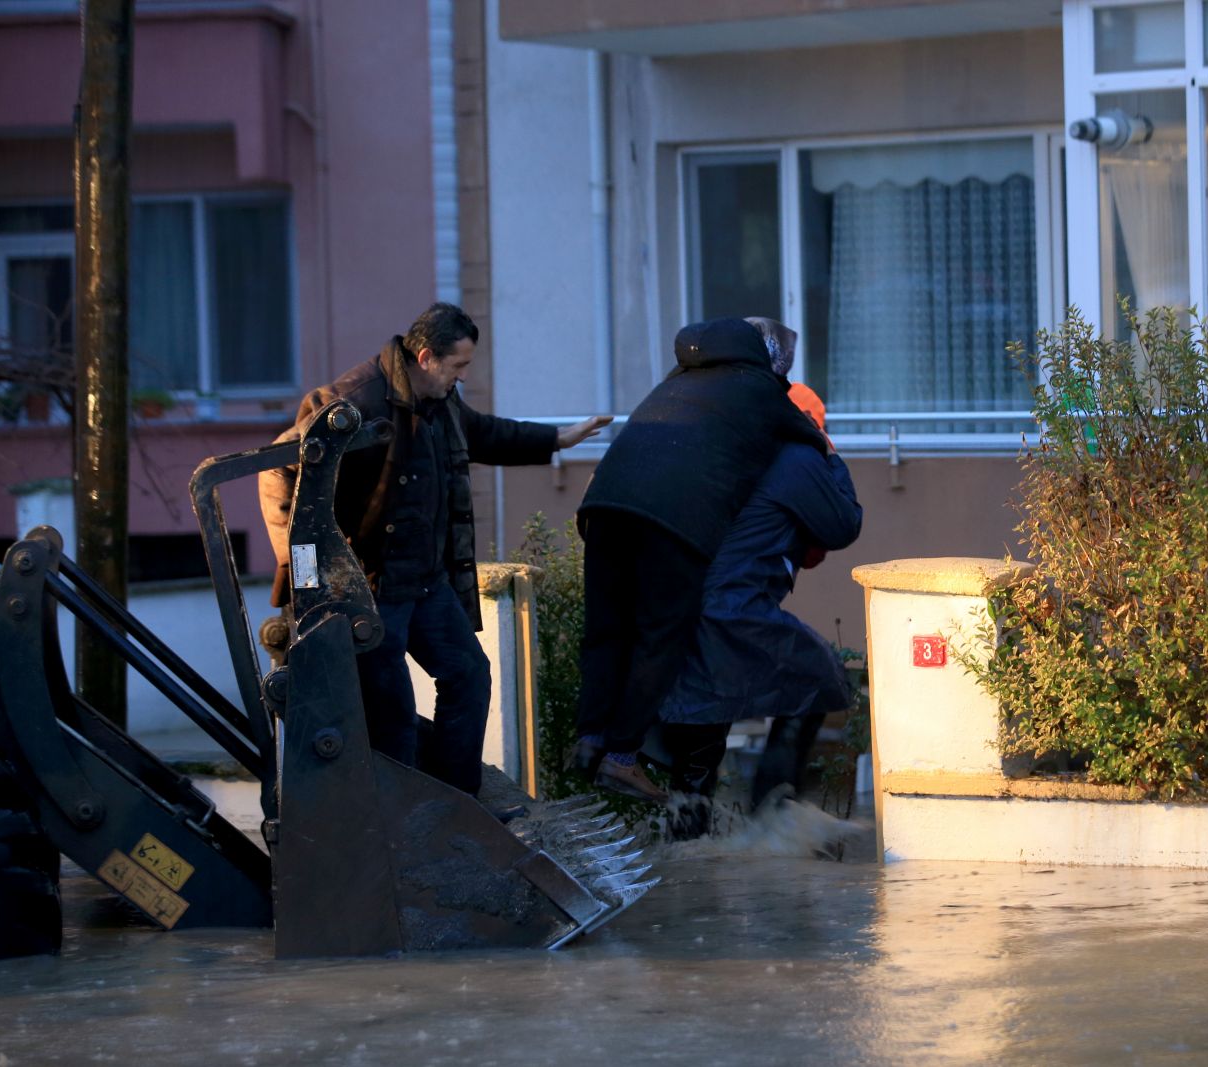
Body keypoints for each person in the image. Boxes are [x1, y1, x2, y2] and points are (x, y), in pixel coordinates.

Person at [259, 302, 610, 796]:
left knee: (469, 675)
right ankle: (400, 829)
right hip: (370, 590)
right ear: (425, 357)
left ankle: (458, 802)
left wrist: (557, 438)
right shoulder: (354, 401)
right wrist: (306, 573)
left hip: (424, 583)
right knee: (392, 718)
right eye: (459, 367)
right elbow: (277, 468)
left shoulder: (436, 401)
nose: (462, 378)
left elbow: (483, 433)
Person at [573, 316, 828, 802]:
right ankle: (622, 759)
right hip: (670, 521)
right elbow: (812, 441)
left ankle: (591, 742)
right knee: (660, 637)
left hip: (603, 507)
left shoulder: (677, 383)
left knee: (607, 630)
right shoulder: (760, 390)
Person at [656, 322, 863, 837]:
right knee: (821, 677)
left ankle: (687, 851)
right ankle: (775, 815)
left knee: (703, 726)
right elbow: (843, 524)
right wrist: (829, 454)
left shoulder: (713, 434)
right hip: (731, 607)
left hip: (679, 602)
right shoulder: (795, 453)